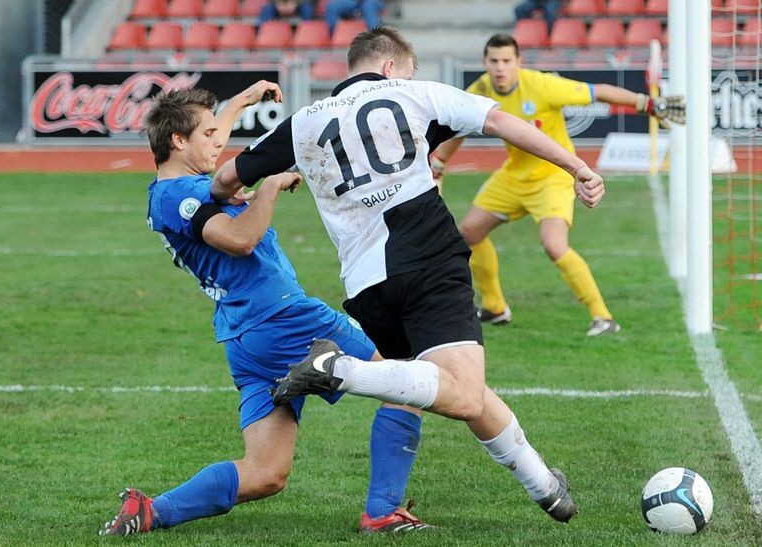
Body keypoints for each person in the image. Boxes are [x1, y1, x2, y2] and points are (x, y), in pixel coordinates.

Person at [211, 27, 609, 525]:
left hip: (366, 284)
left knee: (418, 389)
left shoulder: (304, 122)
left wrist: (231, 196)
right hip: (427, 260)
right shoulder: (412, 93)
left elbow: (225, 179)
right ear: (390, 68)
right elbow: (500, 120)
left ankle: (542, 487)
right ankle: (341, 369)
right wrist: (576, 166)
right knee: (463, 391)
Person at [99, 81, 432, 536]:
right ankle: (382, 512)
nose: (218, 142)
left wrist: (240, 101)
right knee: (405, 385)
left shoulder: (177, 186)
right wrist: (269, 187)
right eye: (208, 135)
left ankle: (151, 511)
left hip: (246, 337)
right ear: (177, 141)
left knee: (265, 473)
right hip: (286, 320)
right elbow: (241, 240)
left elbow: (210, 149)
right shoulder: (178, 197)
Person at [430, 34, 685, 336]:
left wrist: (646, 103)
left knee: (554, 245)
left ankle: (603, 318)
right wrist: (439, 162)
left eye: (507, 61)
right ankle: (495, 307)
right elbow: (460, 128)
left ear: (518, 62)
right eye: (494, 61)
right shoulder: (480, 90)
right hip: (512, 176)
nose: (500, 68)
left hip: (553, 176)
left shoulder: (542, 85)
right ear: (485, 63)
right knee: (469, 233)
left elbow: (598, 91)